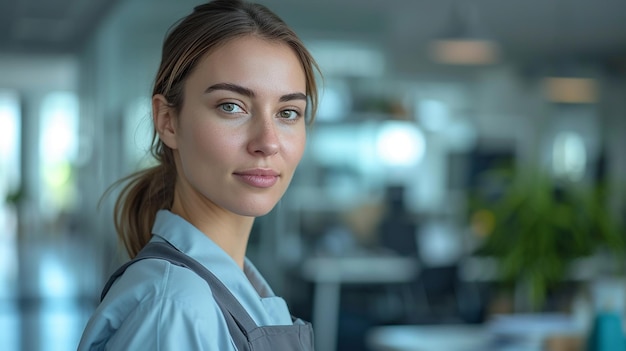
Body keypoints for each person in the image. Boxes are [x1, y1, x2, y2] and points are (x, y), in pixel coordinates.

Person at [77, 0, 320, 349]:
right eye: (231, 106)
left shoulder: (230, 289)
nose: (268, 142)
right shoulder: (174, 308)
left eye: (288, 112)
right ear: (167, 121)